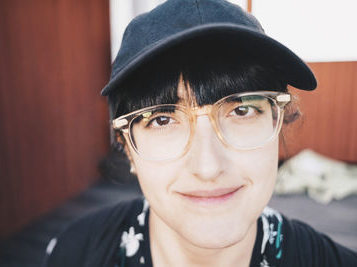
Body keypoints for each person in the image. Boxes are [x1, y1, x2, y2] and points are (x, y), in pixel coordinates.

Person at [45, 0, 357, 266]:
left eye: (242, 110)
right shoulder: (74, 253)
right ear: (128, 148)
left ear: (279, 123)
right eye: (163, 119)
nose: (208, 168)